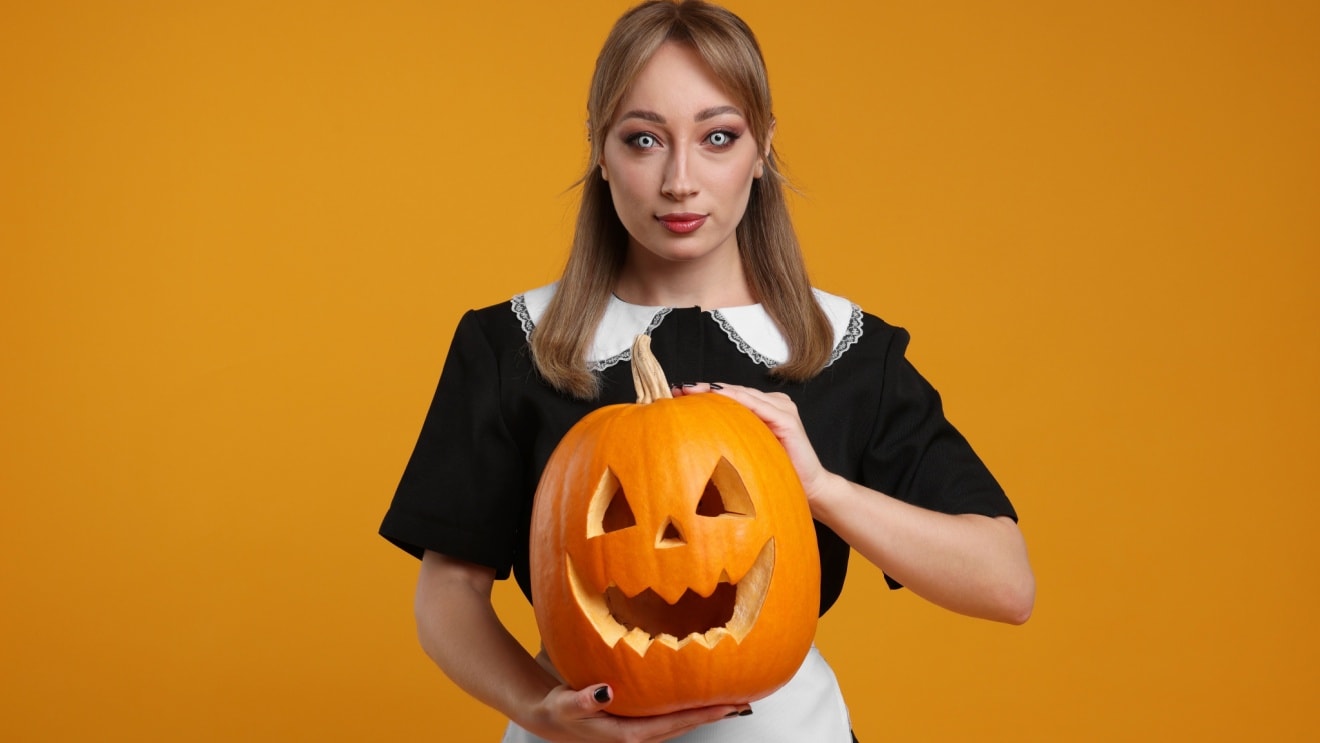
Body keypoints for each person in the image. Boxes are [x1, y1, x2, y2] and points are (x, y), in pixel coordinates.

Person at [379, 1, 1035, 740]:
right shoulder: (509, 345)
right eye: (644, 140)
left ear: (762, 149)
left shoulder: (847, 349)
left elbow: (1006, 582)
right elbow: (447, 592)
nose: (680, 180)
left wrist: (819, 488)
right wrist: (541, 708)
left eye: (718, 137)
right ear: (599, 148)